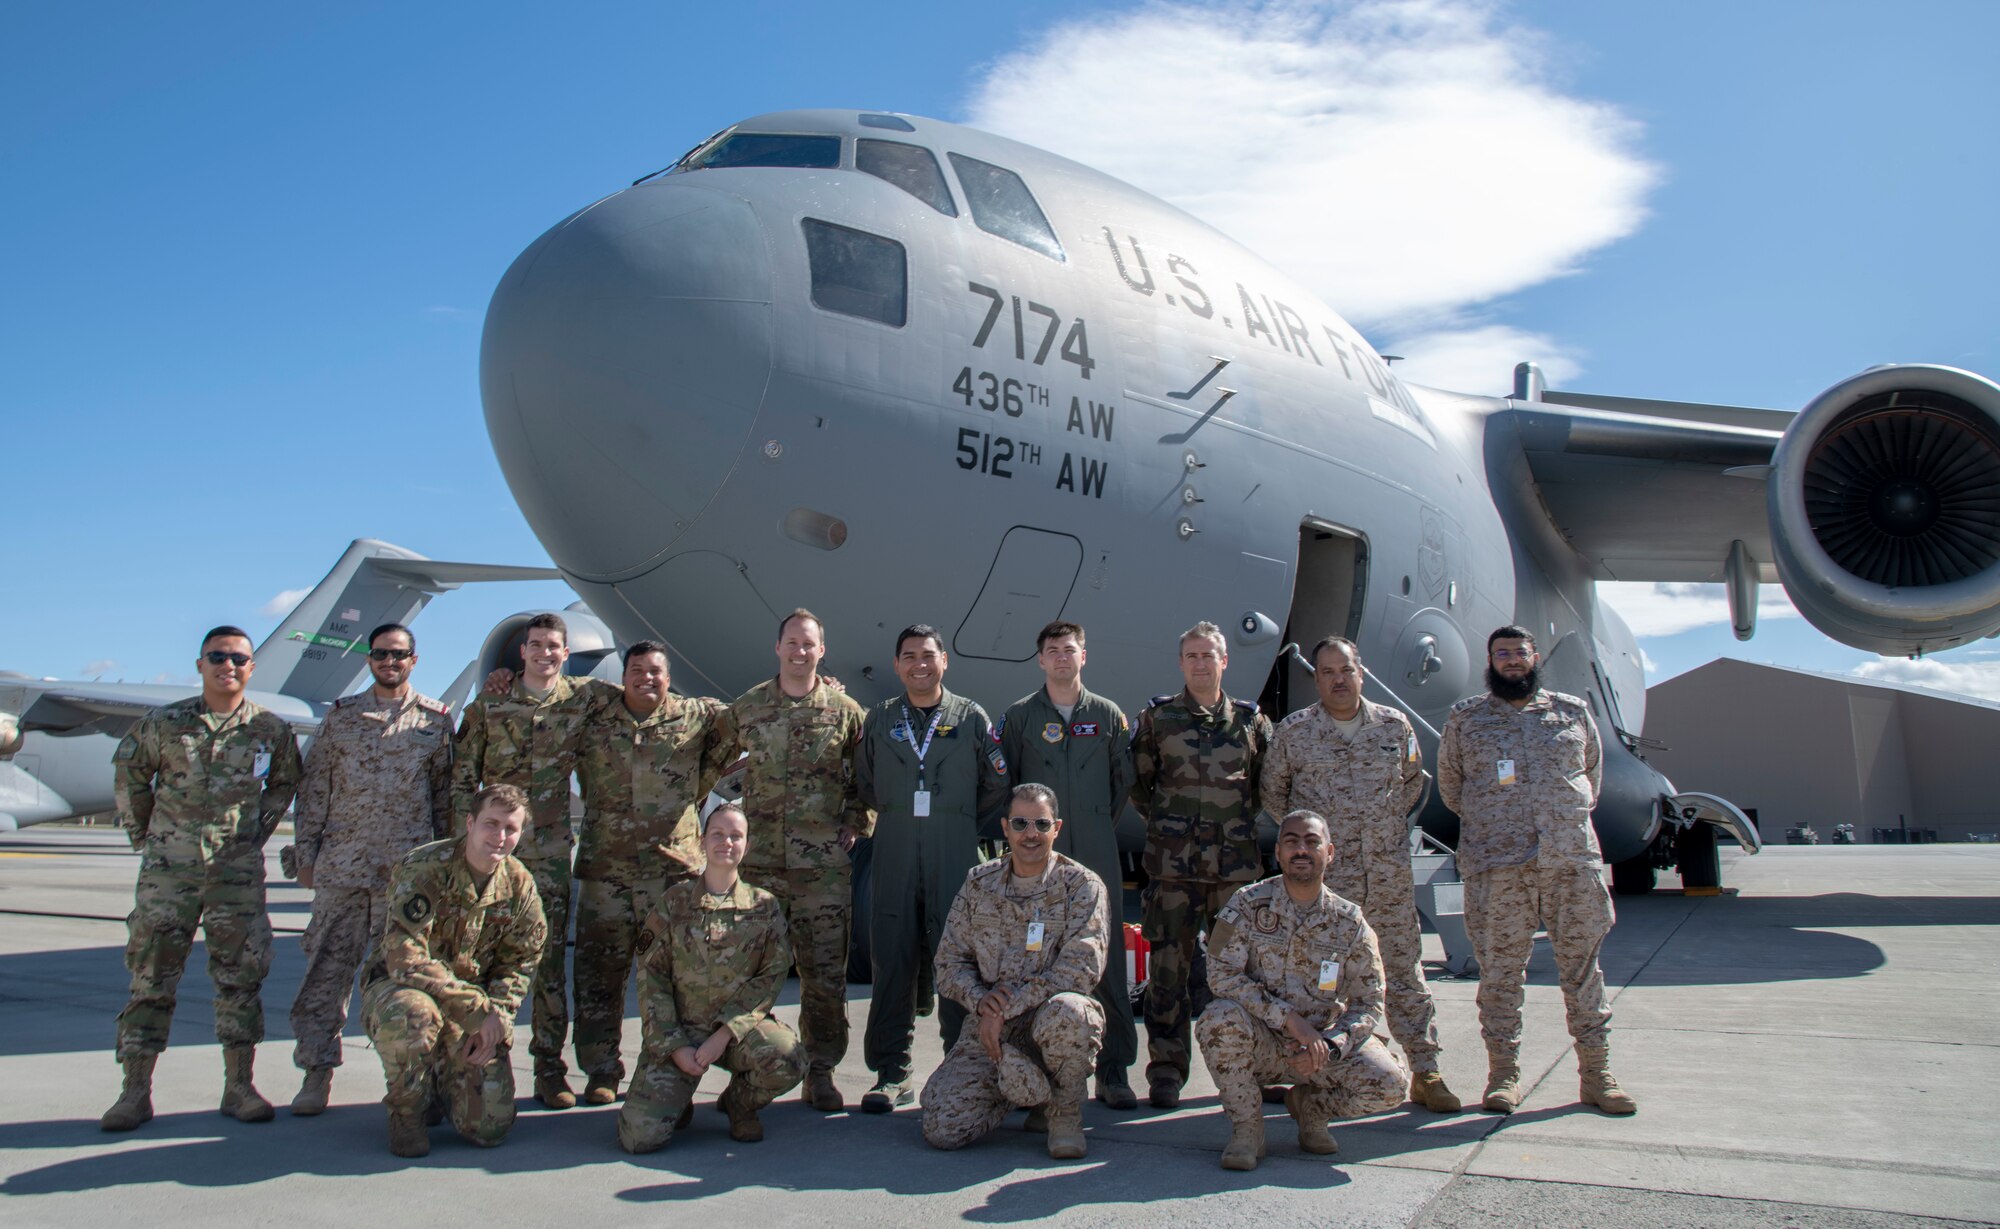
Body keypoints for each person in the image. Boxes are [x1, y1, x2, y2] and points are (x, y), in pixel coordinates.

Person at [101, 626, 303, 1131]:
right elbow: (129, 772)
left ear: (251, 668)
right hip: (168, 877)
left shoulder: (269, 730)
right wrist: (146, 836)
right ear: (200, 664)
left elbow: (284, 783)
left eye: (238, 658)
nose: (227, 666)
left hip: (234, 877)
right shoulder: (165, 723)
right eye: (217, 656)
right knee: (151, 979)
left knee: (241, 979)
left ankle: (239, 1088)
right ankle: (134, 1092)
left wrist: (254, 833)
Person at [1436, 626, 1636, 1116]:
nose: (1511, 661)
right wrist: (1498, 823)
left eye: (1519, 653)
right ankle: (1503, 1076)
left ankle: (1597, 1075)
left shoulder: (1571, 713)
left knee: (1583, 971)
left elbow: (1590, 775)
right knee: (1500, 976)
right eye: (1501, 654)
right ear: (1491, 660)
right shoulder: (1467, 719)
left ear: (1534, 657)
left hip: (1569, 861)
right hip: (1498, 866)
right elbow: (1451, 787)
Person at [1259, 636, 1461, 1113]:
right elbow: (1275, 796)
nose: (1337, 679)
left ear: (1360, 671)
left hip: (1387, 880)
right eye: (1327, 671)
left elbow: (1412, 784)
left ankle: (1425, 1070)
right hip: (1329, 889)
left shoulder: (1393, 727)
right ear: (1317, 679)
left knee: (1402, 972)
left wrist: (1379, 830)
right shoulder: (1295, 733)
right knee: (1320, 983)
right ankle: (1314, 1074)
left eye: (1345, 669)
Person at [287, 622, 454, 1116]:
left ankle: (405, 1084)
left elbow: (444, 800)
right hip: (343, 869)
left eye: (399, 654)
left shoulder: (435, 721)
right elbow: (313, 790)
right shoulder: (341, 718)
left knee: (403, 983)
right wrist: (306, 856)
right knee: (325, 975)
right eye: (381, 654)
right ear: (369, 659)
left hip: (406, 877)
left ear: (414, 660)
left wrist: (442, 865)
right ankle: (315, 1076)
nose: (390, 661)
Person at [715, 608, 869, 1112]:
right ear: (777, 648)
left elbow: (867, 776)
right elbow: (705, 753)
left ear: (821, 651)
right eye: (792, 643)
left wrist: (856, 821)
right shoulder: (750, 707)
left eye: (809, 644)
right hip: (758, 868)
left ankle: (820, 1072)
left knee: (824, 978)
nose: (800, 652)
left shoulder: (845, 710)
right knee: (748, 975)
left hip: (822, 869)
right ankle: (747, 1072)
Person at [450, 612, 606, 1109]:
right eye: (535, 645)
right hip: (489, 856)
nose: (544, 653)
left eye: (553, 646)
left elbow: (651, 696)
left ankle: (548, 1069)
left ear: (565, 652)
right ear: (523, 651)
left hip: (550, 854)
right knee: (473, 960)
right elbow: (460, 779)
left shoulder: (582, 699)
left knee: (546, 965)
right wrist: (461, 844)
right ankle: (464, 1065)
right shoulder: (490, 704)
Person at [1196, 810, 1408, 1170]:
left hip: (1321, 1047)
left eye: (1312, 842)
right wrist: (1290, 1021)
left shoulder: (1349, 921)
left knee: (1390, 1085)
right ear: (1278, 852)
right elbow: (1221, 974)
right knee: (1218, 1020)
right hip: (1263, 1041)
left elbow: (1370, 1001)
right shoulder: (1247, 905)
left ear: (1330, 851)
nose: (1301, 850)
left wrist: (1333, 1045)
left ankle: (1312, 1109)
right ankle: (1248, 1130)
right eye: (1292, 842)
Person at [855, 624, 1010, 1112]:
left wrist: (959, 822)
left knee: (958, 964)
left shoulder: (970, 718)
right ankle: (890, 1073)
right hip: (896, 851)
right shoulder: (880, 720)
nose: (919, 664)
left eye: (928, 655)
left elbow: (995, 785)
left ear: (945, 660)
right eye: (909, 657)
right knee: (892, 961)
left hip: (954, 854)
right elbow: (863, 782)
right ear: (897, 665)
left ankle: (960, 1065)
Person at [569, 641, 732, 1105]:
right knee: (599, 976)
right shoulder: (595, 712)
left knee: (676, 978)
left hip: (671, 873)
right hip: (607, 871)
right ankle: (601, 1070)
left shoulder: (696, 715)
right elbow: (547, 690)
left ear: (668, 675)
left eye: (656, 671)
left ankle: (665, 1069)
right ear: (623, 676)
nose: (647, 678)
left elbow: (747, 720)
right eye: (637, 670)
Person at [1127, 620, 1271, 1109]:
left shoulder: (1251, 722)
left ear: (1224, 661)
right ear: (1181, 663)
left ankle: (1257, 1064)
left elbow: (1260, 790)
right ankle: (1166, 1072)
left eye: (1209, 655)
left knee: (1246, 973)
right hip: (1173, 872)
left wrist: (1226, 829)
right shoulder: (1159, 720)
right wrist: (1174, 827)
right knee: (1168, 975)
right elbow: (1141, 786)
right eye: (1192, 655)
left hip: (1233, 874)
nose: (1201, 663)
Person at [922, 784, 1109, 1159]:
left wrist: (1006, 1007)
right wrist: (981, 1003)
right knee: (943, 1127)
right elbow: (949, 962)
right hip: (991, 1031)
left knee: (1072, 1013)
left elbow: (1081, 969)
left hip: (1046, 1017)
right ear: (1005, 828)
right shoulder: (979, 883)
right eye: (1021, 823)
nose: (1030, 834)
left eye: (1041, 824)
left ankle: (1063, 1112)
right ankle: (1023, 1089)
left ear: (1057, 828)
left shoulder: (1081, 886)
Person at [361, 784, 548, 1157]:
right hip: (402, 988)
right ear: (469, 823)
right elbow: (404, 956)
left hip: (471, 1003)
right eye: (490, 824)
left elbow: (521, 961)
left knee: (490, 1127)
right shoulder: (425, 867)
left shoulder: (519, 883)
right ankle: (407, 1112)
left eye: (511, 829)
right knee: (414, 1013)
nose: (500, 837)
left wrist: (498, 1018)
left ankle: (441, 1080)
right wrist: (476, 1011)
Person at [999, 620, 1137, 1109]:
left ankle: (1115, 1070)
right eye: (1052, 650)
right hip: (1040, 855)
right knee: (1036, 956)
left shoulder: (1107, 715)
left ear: (1084, 656)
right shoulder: (1019, 717)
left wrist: (1093, 822)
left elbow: (1123, 782)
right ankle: (1040, 1068)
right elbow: (1009, 786)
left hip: (1096, 848)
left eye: (1070, 649)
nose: (1062, 657)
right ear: (1040, 659)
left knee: (1105, 957)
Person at [617, 802, 807, 1152]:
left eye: (736, 836)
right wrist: (674, 1047)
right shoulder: (674, 903)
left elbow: (769, 979)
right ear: (702, 842)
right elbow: (651, 977)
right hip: (680, 1033)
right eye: (718, 834)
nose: (727, 843)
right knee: (639, 1137)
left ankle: (740, 1104)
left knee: (788, 1058)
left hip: (735, 1033)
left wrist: (724, 1034)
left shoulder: (763, 907)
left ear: (747, 846)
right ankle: (678, 1096)